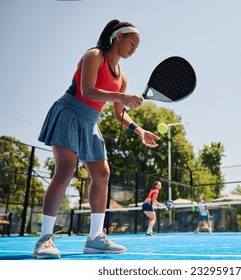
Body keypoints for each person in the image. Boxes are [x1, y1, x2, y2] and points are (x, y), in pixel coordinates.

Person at [33, 19, 161, 259]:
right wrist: (121, 97)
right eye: (132, 42)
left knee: (102, 173)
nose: (134, 48)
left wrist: (139, 130)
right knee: (65, 170)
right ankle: (45, 239)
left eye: (137, 46)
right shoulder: (94, 55)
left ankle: (94, 238)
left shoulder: (122, 77)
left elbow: (117, 115)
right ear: (118, 37)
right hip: (69, 112)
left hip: (91, 121)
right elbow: (87, 91)